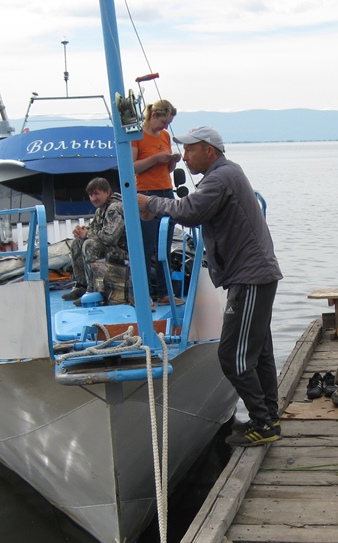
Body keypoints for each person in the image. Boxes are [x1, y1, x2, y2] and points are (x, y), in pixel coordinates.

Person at [137, 127, 283, 447]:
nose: (185, 157)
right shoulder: (226, 174)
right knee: (258, 353)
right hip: (252, 275)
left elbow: (189, 211)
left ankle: (264, 421)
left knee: (232, 354)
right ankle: (267, 418)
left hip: (250, 277)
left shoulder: (220, 178)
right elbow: (195, 209)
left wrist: (148, 202)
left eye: (190, 150)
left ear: (209, 152)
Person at [132, 100, 181, 304]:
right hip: (145, 192)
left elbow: (167, 170)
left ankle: (164, 293)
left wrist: (171, 161)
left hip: (166, 190)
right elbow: (133, 166)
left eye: (168, 123)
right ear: (154, 116)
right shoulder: (137, 136)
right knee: (146, 245)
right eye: (163, 121)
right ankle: (145, 296)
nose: (165, 127)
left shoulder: (165, 136)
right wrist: (155, 159)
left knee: (165, 245)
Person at [62, 177, 127, 304]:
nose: (93, 198)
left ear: (107, 192)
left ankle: (93, 291)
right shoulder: (100, 210)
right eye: (91, 195)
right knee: (76, 243)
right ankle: (82, 285)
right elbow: (94, 229)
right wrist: (81, 232)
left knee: (89, 245)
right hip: (111, 249)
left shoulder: (114, 208)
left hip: (123, 252)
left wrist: (87, 234)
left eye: (97, 193)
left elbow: (110, 237)